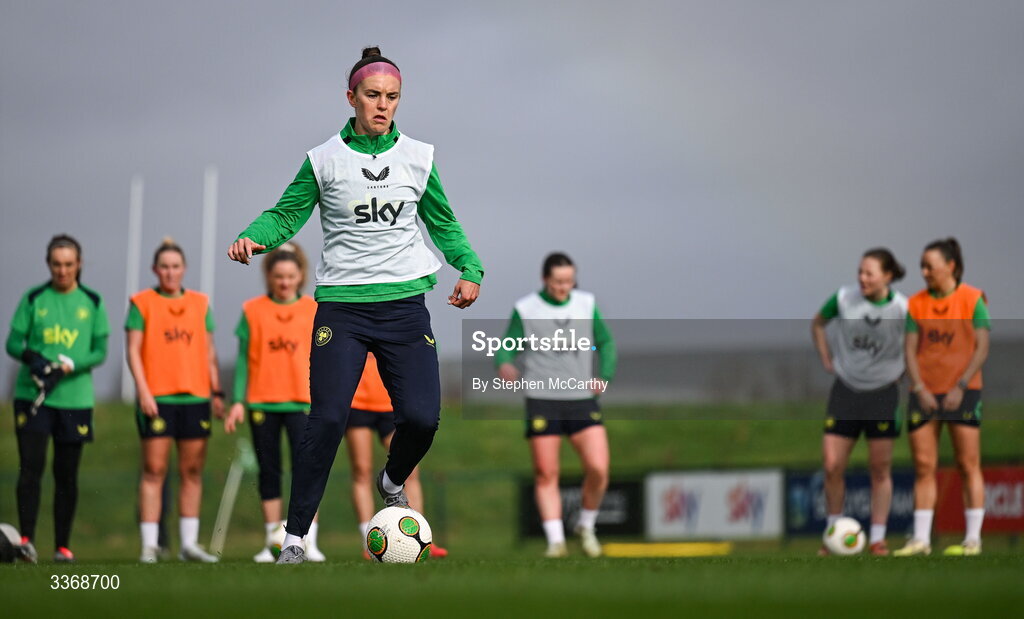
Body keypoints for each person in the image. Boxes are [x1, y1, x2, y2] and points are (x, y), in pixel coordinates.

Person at [227, 46, 484, 564]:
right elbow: (286, 215)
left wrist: (470, 268)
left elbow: (443, 222)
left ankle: (392, 480)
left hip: (405, 306)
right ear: (351, 98)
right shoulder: (323, 159)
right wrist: (254, 238)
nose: (383, 105)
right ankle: (294, 539)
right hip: (342, 310)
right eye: (373, 95)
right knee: (324, 420)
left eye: (392, 97)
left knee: (422, 417)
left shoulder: (419, 156)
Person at [496, 253, 616, 558]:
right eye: (558, 281)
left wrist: (604, 376)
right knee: (546, 473)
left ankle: (586, 526)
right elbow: (507, 346)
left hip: (581, 400)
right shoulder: (526, 309)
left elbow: (606, 342)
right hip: (543, 400)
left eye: (569, 280)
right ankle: (555, 542)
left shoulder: (586, 305)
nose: (565, 287)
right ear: (545, 279)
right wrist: (505, 364)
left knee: (599, 469)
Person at [5, 235, 110, 563]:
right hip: (34, 397)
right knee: (30, 470)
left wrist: (70, 366)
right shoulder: (34, 298)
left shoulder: (92, 302)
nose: (62, 270)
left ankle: (62, 547)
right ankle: (25, 543)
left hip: (74, 400)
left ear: (79, 264)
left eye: (68, 264)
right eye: (56, 264)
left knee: (66, 474)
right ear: (48, 264)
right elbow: (12, 343)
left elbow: (100, 351)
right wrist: (32, 359)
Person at [222, 243, 326, 562]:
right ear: (269, 276)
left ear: (300, 276)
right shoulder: (253, 310)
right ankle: (272, 542)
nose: (284, 282)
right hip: (262, 404)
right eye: (279, 276)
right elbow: (243, 361)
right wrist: (238, 401)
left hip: (302, 402)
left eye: (290, 276)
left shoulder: (313, 309)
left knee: (307, 470)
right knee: (269, 471)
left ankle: (308, 541)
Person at [126, 238, 225, 563]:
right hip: (158, 397)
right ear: (156, 270)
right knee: (154, 469)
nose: (170, 272)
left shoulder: (200, 303)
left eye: (175, 267)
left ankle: (188, 544)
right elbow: (133, 351)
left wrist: (216, 391)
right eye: (164, 267)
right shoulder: (142, 303)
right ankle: (148, 545)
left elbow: (210, 352)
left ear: (183, 269)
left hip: (195, 395)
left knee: (192, 470)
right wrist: (142, 390)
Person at [895, 238, 990, 557]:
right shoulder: (916, 304)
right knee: (923, 465)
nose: (923, 272)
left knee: (967, 463)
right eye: (921, 266)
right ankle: (921, 540)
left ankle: (972, 540)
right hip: (924, 393)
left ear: (950, 266)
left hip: (962, 391)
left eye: (929, 266)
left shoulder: (973, 299)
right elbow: (909, 349)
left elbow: (982, 347)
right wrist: (919, 388)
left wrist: (960, 386)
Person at [811, 248, 908, 556]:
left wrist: (906, 371)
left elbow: (917, 344)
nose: (862, 278)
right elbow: (817, 323)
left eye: (870, 273)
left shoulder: (903, 308)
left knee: (880, 468)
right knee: (832, 465)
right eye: (860, 272)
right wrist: (826, 358)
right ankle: (832, 534)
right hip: (846, 391)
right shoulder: (843, 299)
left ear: (887, 276)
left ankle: (878, 539)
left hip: (882, 395)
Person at [345, 352, 448, 559]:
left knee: (409, 469)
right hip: (356, 401)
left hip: (390, 401)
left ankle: (419, 535)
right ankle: (368, 540)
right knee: (362, 470)